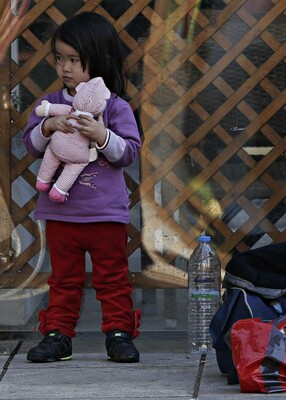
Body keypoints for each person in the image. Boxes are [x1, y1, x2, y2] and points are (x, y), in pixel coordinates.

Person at [22, 12, 142, 363]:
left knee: (113, 278)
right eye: (59, 58)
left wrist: (101, 135)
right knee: (64, 279)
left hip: (105, 213)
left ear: (100, 58)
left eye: (74, 60)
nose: (65, 67)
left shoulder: (115, 106)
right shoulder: (51, 103)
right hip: (61, 213)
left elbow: (129, 152)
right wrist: (47, 127)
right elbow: (31, 146)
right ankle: (58, 335)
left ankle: (119, 333)